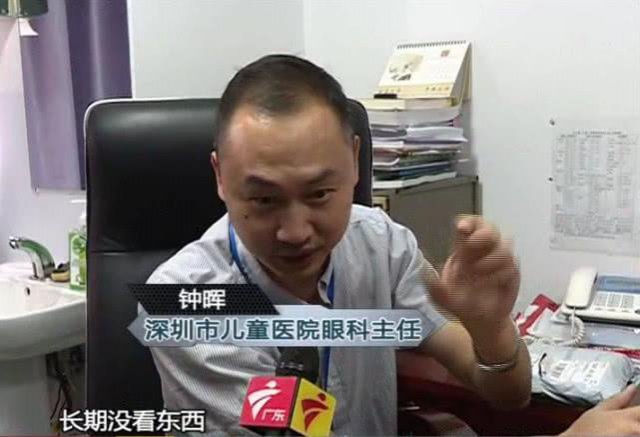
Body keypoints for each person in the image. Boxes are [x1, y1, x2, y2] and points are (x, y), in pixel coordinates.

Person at [146, 54, 637, 436]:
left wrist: (490, 331)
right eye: (264, 199)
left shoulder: (377, 242)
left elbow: (506, 395)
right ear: (220, 176)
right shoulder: (181, 303)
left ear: (355, 161)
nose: (295, 231)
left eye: (319, 194)